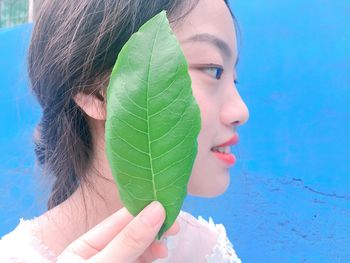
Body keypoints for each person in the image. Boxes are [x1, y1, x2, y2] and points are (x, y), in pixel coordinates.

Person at [0, 0, 249, 262]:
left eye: (234, 79)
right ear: (96, 93)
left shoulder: (209, 249)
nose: (241, 111)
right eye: (213, 69)